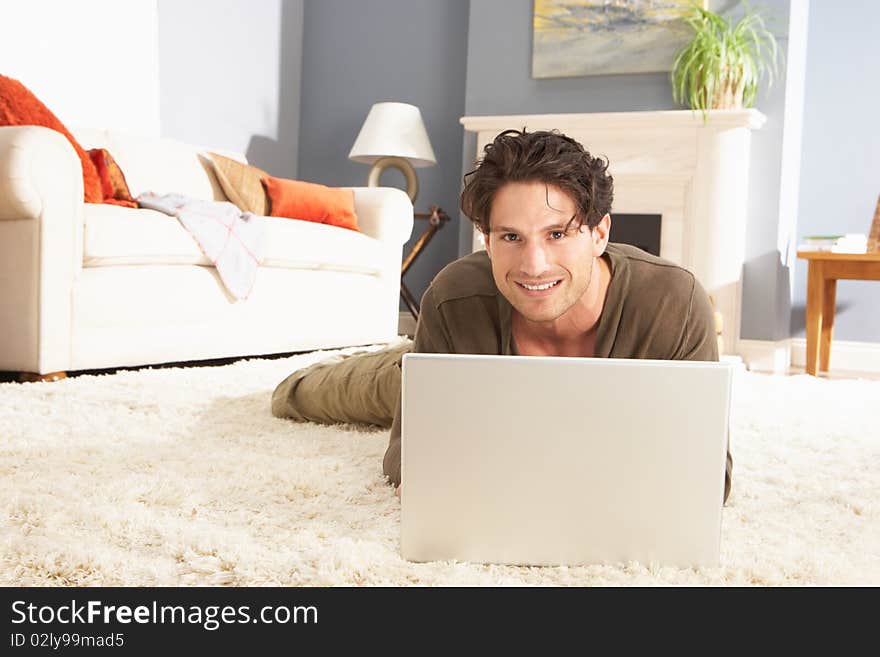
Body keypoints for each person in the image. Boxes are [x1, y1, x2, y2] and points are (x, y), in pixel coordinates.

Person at [272, 129, 732, 503]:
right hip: (456, 366)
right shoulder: (454, 299)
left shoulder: (675, 302)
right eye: (511, 237)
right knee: (302, 395)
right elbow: (405, 457)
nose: (534, 265)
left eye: (557, 234)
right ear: (487, 241)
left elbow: (711, 474)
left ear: (599, 233)